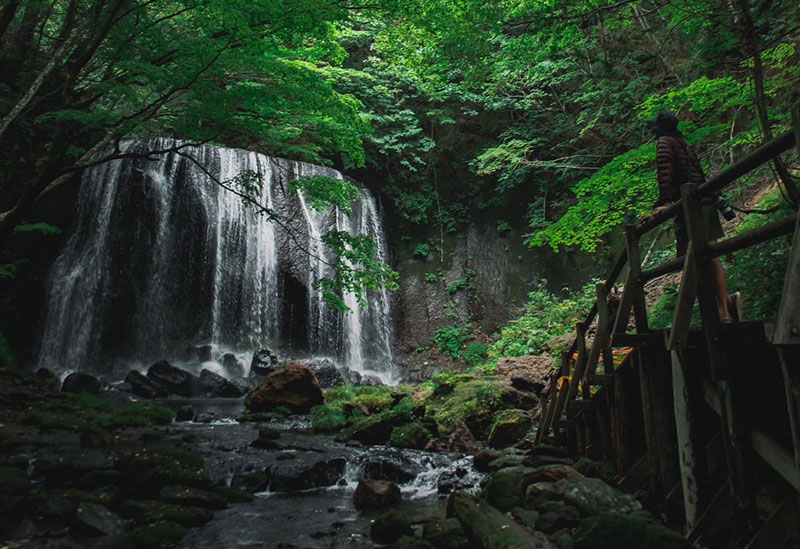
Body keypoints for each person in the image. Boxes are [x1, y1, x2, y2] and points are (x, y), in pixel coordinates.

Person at [640, 111, 739, 322]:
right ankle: (726, 304)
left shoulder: (665, 143)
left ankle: (721, 310)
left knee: (695, 257)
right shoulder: (683, 143)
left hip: (692, 206)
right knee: (709, 254)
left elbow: (665, 175)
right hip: (704, 200)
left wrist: (665, 204)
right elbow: (697, 175)